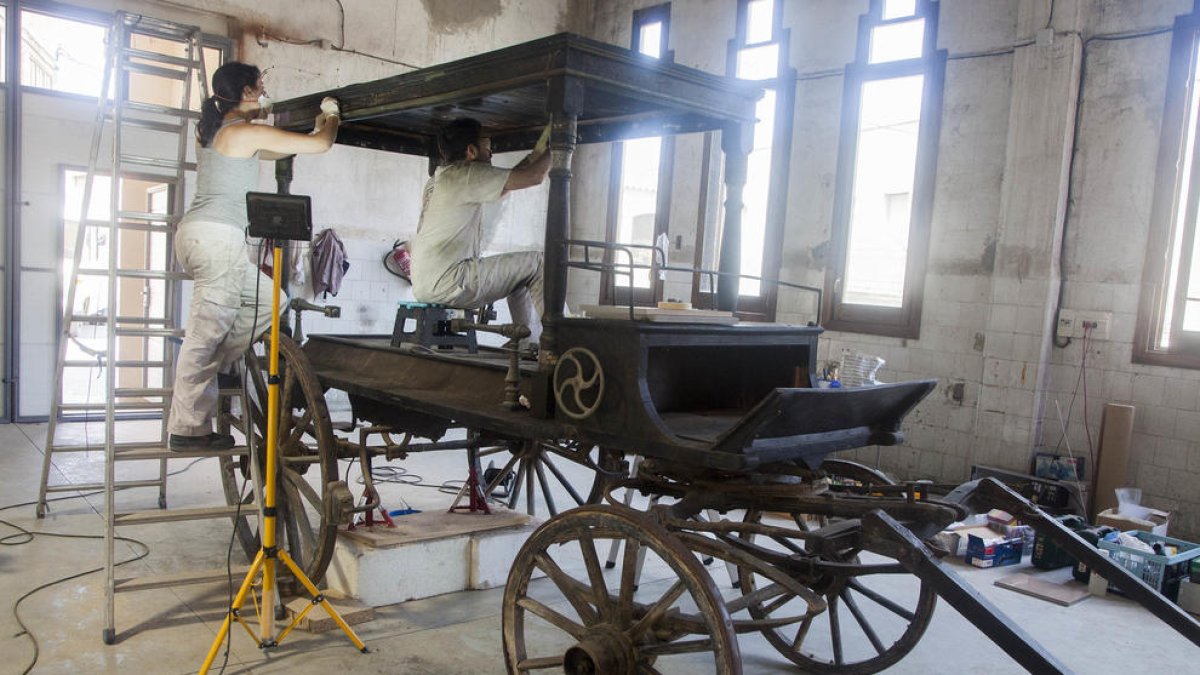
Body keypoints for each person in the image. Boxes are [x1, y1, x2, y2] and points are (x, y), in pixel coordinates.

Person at [168, 62, 341, 451]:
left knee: (271, 299)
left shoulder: (216, 132)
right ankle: (187, 427)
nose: (264, 92)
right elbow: (322, 143)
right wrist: (330, 114)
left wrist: (278, 122)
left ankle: (221, 367)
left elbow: (280, 146)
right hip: (216, 239)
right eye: (260, 87)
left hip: (204, 236)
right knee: (205, 334)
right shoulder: (242, 132)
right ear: (246, 92)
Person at [409, 118, 552, 344]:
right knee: (539, 263)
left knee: (519, 274)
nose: (491, 154)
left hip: (424, 282)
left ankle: (526, 341)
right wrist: (560, 146)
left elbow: (507, 182)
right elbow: (535, 176)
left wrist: (536, 153)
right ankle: (562, 337)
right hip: (452, 280)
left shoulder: (441, 177)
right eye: (488, 148)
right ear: (471, 151)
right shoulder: (467, 175)